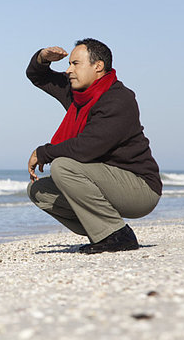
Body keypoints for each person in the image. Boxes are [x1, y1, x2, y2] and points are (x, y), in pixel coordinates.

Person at [26, 38, 162, 254]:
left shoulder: (118, 99)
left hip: (140, 188)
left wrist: (43, 152)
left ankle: (116, 235)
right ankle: (105, 232)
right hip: (105, 181)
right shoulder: (77, 93)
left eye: (75, 64)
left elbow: (87, 148)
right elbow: (38, 76)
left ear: (98, 66)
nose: (69, 70)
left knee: (63, 166)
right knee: (39, 190)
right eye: (68, 64)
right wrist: (42, 58)